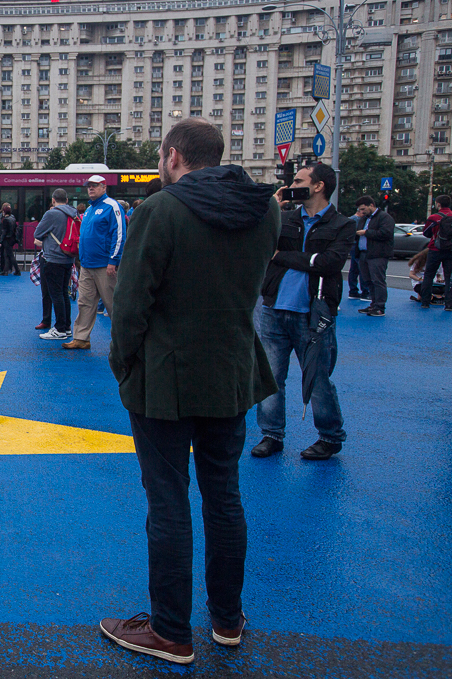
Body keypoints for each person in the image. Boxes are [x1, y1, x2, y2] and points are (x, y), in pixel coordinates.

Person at [103, 118, 280, 666]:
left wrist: (122, 363)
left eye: (161, 156)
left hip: (166, 380)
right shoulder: (265, 209)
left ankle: (172, 632)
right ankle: (227, 619)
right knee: (224, 497)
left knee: (169, 502)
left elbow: (131, 304)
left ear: (173, 155)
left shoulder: (161, 210)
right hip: (231, 373)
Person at [253, 163, 355, 461]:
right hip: (273, 308)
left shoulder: (342, 224)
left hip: (313, 313)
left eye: (298, 180)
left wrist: (282, 256)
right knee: (271, 377)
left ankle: (330, 437)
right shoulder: (285, 218)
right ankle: (271, 435)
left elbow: (329, 263)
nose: (293, 184)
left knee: (318, 378)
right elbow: (258, 243)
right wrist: (271, 207)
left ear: (319, 185)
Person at [63, 175, 127, 351]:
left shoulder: (112, 206)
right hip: (87, 265)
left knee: (113, 304)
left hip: (105, 265)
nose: (90, 188)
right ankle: (81, 338)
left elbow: (119, 234)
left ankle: (125, 339)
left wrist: (113, 261)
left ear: (104, 187)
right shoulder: (90, 210)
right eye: (88, 186)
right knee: (85, 302)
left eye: (94, 186)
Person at [33, 189, 77, 340]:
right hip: (68, 258)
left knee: (55, 294)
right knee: (64, 293)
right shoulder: (73, 212)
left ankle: (59, 329)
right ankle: (66, 326)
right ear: (66, 199)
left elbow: (37, 233)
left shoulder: (52, 214)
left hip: (53, 258)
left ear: (53, 200)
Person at [353, 195, 394, 317]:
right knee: (368, 280)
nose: (361, 212)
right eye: (360, 209)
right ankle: (373, 304)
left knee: (378, 281)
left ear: (371, 205)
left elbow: (386, 233)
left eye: (363, 209)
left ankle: (380, 307)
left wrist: (366, 233)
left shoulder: (385, 217)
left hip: (378, 254)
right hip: (364, 253)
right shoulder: (364, 219)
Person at [419, 194, 452, 310]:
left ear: (438, 204)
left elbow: (426, 233)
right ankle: (449, 304)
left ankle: (425, 302)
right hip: (450, 250)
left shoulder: (434, 217)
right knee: (449, 277)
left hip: (435, 249)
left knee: (429, 275)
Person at [0, 203, 19, 276]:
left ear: (4, 212)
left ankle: (14, 270)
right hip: (12, 238)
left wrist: (0, 241)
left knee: (8, 255)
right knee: (8, 255)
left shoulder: (5, 220)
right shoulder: (13, 218)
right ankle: (9, 270)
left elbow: (4, 231)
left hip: (7, 239)